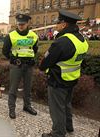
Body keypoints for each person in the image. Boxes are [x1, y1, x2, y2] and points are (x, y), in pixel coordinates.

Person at [39, 9, 89, 137]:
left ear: (64, 24)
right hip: (72, 79)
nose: (56, 25)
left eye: (58, 23)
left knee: (57, 109)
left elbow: (44, 63)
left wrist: (42, 66)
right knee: (66, 104)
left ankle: (58, 133)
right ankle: (69, 126)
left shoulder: (62, 42)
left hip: (58, 81)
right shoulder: (81, 39)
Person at [2, 14, 38, 119]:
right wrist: (12, 58)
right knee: (13, 88)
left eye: (23, 24)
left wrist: (29, 58)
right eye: (19, 24)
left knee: (28, 87)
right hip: (16, 65)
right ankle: (12, 109)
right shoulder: (11, 35)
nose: (21, 26)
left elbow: (35, 49)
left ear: (28, 23)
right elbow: (5, 51)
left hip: (29, 65)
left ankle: (27, 106)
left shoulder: (34, 35)